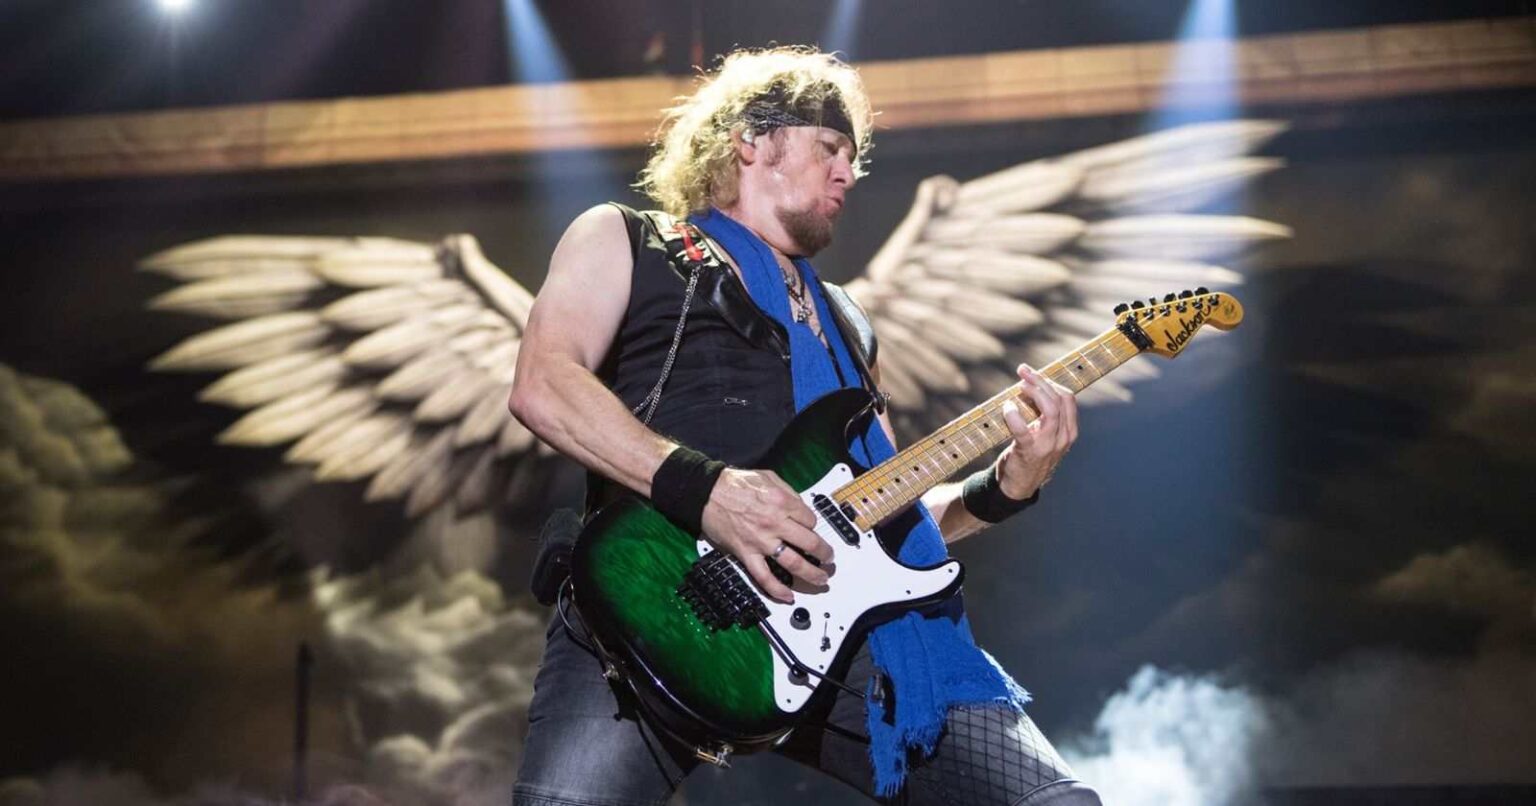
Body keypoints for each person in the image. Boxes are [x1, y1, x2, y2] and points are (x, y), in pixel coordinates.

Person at [507, 46, 1100, 806]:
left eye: (853, 158)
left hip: (837, 633)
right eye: (828, 149)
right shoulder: (627, 240)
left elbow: (879, 515)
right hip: (652, 605)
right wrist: (709, 491)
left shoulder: (847, 323)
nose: (847, 174)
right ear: (751, 142)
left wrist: (1006, 486)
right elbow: (544, 383)